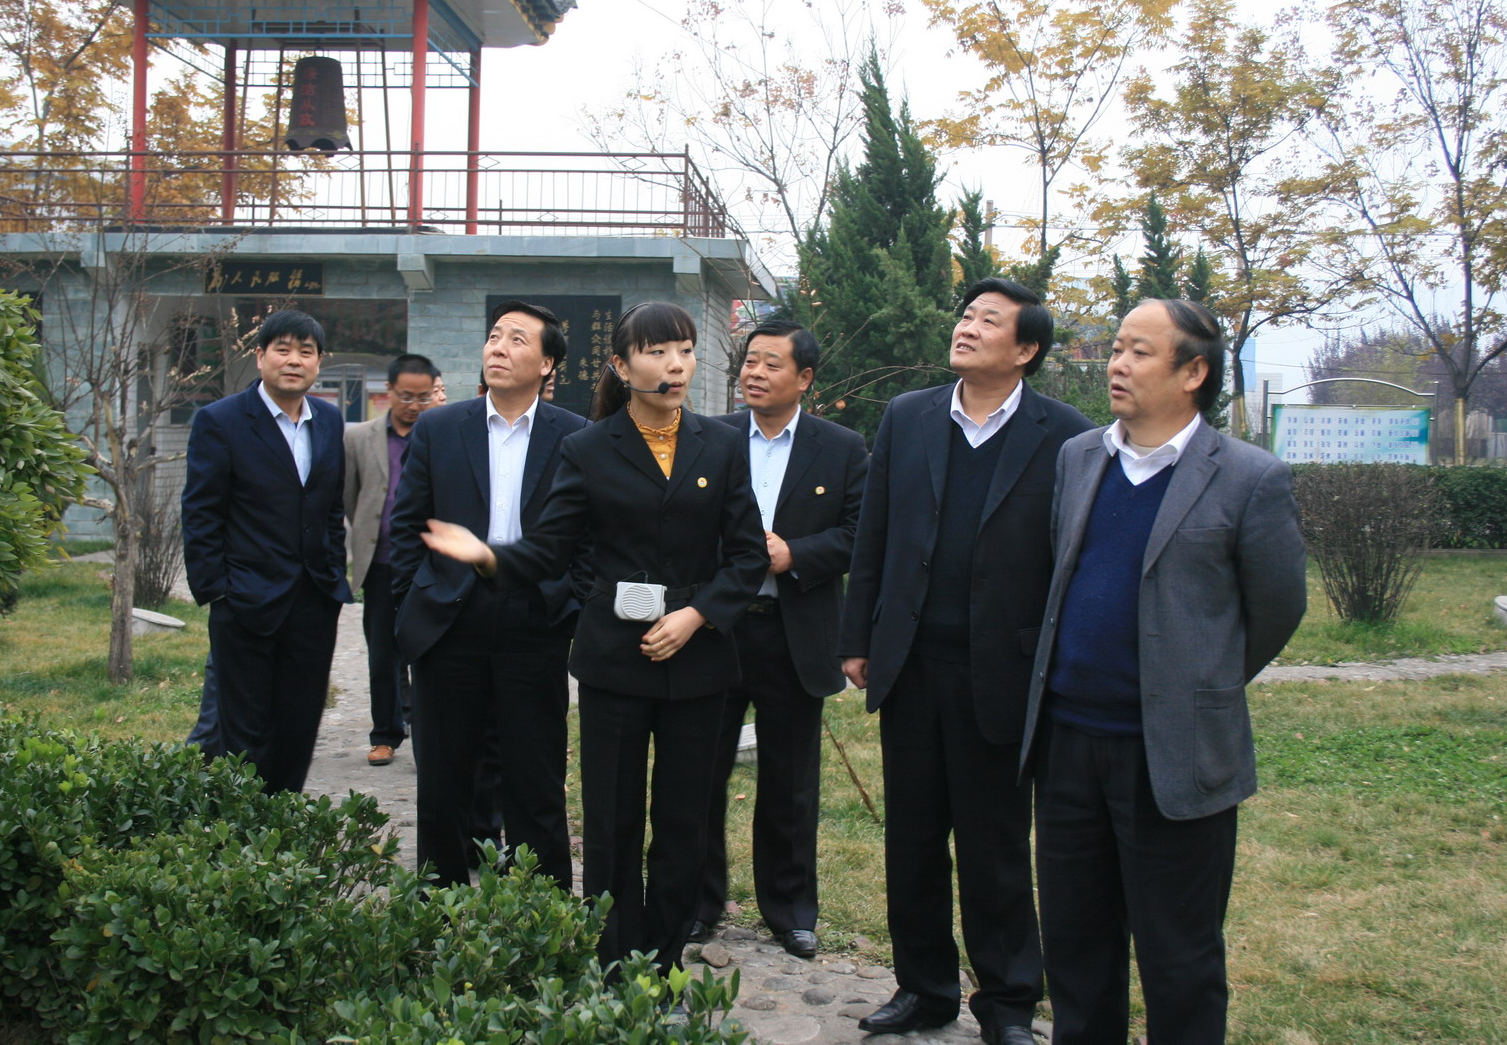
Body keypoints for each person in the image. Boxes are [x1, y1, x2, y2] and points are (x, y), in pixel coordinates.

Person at [420, 301, 768, 978]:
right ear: (621, 365)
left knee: (684, 820)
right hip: (615, 662)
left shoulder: (722, 445)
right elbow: (548, 551)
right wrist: (488, 555)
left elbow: (748, 556)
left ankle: (661, 961)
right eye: (657, 351)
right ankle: (615, 961)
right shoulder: (586, 448)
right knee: (611, 820)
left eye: (684, 350)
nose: (675, 365)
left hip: (698, 662)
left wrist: (696, 615)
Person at [1023, 299, 1306, 1044]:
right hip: (1067, 744)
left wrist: (1195, 683)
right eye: (1116, 348)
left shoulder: (1249, 477)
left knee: (1179, 957)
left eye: (1139, 352)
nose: (1116, 364)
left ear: (1193, 372)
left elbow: (1276, 609)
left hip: (1174, 753)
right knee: (1076, 947)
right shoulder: (1080, 458)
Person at [839, 279, 1093, 1045]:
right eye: (967, 315)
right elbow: (875, 533)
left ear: (1026, 349)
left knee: (995, 846)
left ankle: (1009, 1004)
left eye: (989, 320)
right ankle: (923, 988)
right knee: (912, 840)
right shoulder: (909, 415)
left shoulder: (1065, 435)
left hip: (1003, 672)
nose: (968, 327)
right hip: (912, 662)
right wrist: (857, 637)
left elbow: (1071, 558)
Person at [391, 302, 583, 889]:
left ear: (547, 363)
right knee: (443, 776)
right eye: (494, 336)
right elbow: (407, 527)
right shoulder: (440, 428)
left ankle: (542, 904)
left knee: (535, 776)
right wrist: (413, 603)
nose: (498, 347)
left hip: (535, 618)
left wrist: (566, 605)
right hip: (450, 617)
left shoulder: (575, 436)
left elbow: (587, 539)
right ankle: (438, 900)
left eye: (517, 339)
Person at [694, 319, 867, 960]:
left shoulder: (841, 448)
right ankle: (697, 903)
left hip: (793, 629)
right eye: (750, 361)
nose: (755, 373)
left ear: (805, 378)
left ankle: (791, 911)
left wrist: (795, 553)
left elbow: (859, 533)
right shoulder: (709, 436)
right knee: (699, 772)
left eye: (772, 363)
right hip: (716, 628)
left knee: (791, 780)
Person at [181, 309, 352, 794]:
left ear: (319, 361)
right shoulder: (221, 421)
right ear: (259, 357)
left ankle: (285, 816)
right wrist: (218, 591)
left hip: (313, 601)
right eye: (283, 350)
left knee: (300, 723)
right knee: (245, 729)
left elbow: (330, 507)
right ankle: (246, 823)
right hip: (244, 602)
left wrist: (332, 576)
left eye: (306, 352)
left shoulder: (328, 421)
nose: (294, 361)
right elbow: (201, 513)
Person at [344, 353, 441, 766]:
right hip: (381, 565)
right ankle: (385, 734)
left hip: (430, 565)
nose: (414, 405)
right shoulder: (358, 438)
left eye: (423, 397)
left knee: (428, 652)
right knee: (383, 655)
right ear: (388, 391)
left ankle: (429, 735)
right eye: (406, 396)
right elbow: (350, 497)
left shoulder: (442, 432)